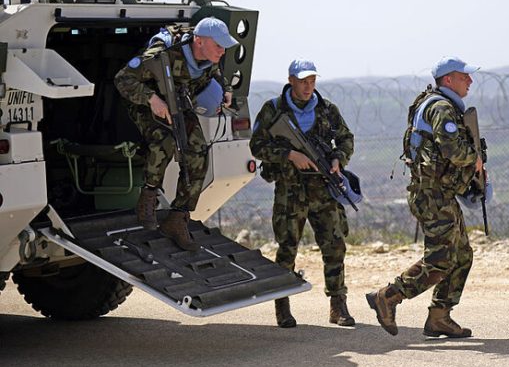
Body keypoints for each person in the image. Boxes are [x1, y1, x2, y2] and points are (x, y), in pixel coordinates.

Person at [366, 56, 485, 338]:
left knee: (461, 256)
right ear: (448, 80)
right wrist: (475, 158)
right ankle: (389, 296)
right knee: (441, 259)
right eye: (464, 76)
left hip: (440, 194)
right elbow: (453, 151)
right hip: (432, 196)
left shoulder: (437, 103)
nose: (470, 80)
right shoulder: (441, 107)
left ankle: (439, 317)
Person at [115, 17, 238, 251]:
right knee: (165, 141)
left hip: (179, 103)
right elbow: (123, 79)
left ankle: (177, 218)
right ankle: (148, 196)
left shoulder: (209, 57)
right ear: (199, 41)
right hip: (146, 103)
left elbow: (216, 74)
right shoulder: (162, 53)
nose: (222, 51)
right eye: (218, 45)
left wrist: (227, 90)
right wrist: (152, 99)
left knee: (198, 155)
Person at [249, 59, 356, 328]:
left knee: (334, 246)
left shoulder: (327, 109)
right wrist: (289, 155)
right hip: (290, 191)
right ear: (291, 81)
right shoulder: (274, 110)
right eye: (303, 81)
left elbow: (346, 138)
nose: (308, 87)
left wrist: (338, 159)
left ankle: (338, 305)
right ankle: (282, 305)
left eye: (312, 81)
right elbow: (257, 146)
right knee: (287, 248)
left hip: (323, 189)